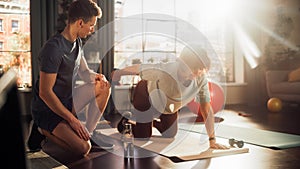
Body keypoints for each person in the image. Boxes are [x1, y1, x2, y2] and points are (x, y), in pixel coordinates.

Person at [29, 0, 113, 156]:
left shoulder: (77, 42)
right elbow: (45, 93)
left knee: (104, 87)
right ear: (81, 23)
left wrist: (98, 77)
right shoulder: (54, 49)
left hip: (67, 101)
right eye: (91, 25)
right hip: (48, 109)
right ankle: (42, 130)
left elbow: (85, 73)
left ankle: (88, 133)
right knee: (83, 149)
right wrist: (73, 121)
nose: (93, 29)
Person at [112, 45, 228, 149]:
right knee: (143, 137)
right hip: (146, 95)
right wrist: (119, 73)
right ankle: (125, 122)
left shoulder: (201, 78)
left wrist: (212, 140)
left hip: (169, 105)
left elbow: (206, 108)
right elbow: (139, 68)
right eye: (196, 68)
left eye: (202, 69)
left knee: (170, 134)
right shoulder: (166, 69)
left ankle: (150, 122)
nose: (199, 72)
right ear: (185, 65)